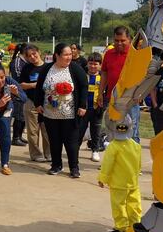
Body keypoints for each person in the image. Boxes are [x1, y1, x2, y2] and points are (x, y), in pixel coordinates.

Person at [34, 43, 88, 178]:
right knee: (54, 141)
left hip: (70, 114)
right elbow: (39, 87)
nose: (69, 57)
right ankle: (56, 165)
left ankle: (74, 168)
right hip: (50, 113)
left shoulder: (75, 68)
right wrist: (38, 103)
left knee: (71, 142)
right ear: (57, 55)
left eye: (70, 54)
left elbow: (84, 86)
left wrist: (82, 105)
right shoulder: (47, 69)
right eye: (66, 54)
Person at [97, 115, 142, 232]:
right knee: (134, 204)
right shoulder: (136, 145)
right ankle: (135, 225)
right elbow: (138, 164)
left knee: (119, 206)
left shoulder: (113, 146)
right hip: (133, 182)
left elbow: (107, 165)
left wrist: (103, 178)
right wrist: (137, 173)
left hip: (118, 184)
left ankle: (122, 229)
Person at [99, 26, 140, 143]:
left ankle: (133, 160)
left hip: (130, 100)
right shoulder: (108, 54)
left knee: (132, 132)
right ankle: (115, 159)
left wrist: (139, 94)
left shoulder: (136, 55)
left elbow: (142, 76)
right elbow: (104, 74)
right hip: (112, 99)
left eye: (123, 40)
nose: (119, 43)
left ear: (130, 40)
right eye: (116, 40)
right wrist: (101, 93)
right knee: (112, 131)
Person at [19, 44, 51, 162]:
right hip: (31, 102)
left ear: (39, 52)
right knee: (33, 131)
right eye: (29, 56)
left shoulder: (49, 67)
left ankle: (49, 154)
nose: (32, 57)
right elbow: (21, 85)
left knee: (47, 130)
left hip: (47, 103)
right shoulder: (26, 69)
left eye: (34, 54)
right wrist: (35, 85)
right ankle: (36, 154)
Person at [79, 52, 106, 162]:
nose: (93, 66)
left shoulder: (103, 78)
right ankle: (75, 149)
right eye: (91, 63)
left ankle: (95, 151)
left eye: (96, 64)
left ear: (100, 65)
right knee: (80, 130)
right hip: (83, 109)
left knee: (96, 131)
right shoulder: (83, 76)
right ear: (87, 64)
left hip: (97, 109)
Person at [8, 43, 29, 146]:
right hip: (17, 91)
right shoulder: (17, 62)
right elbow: (17, 77)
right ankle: (15, 137)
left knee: (23, 115)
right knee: (19, 115)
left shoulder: (25, 61)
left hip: (25, 91)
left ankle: (20, 136)